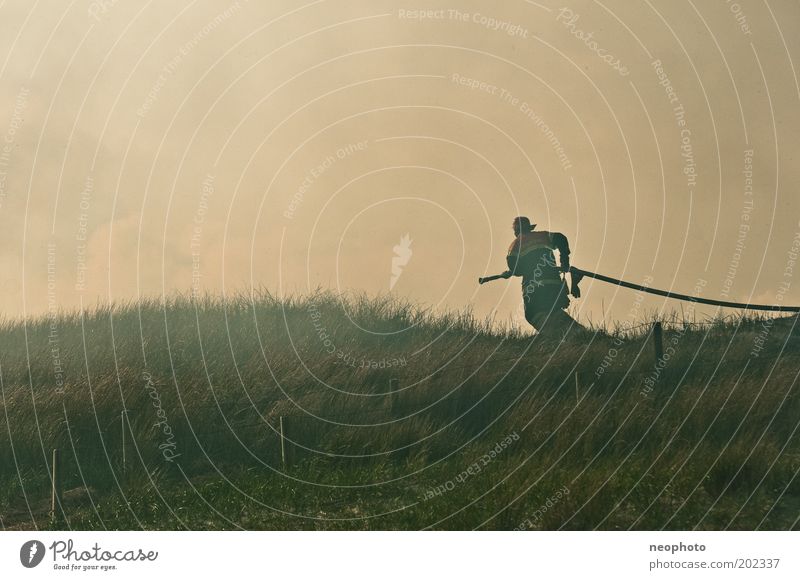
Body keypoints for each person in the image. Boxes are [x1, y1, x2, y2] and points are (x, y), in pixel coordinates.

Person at [501, 216, 580, 337]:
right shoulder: (544, 236)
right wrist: (564, 262)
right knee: (553, 312)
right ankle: (579, 332)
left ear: (516, 231)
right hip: (554, 285)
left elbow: (515, 267)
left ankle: (552, 337)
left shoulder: (516, 244)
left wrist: (511, 272)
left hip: (534, 287)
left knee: (533, 314)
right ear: (530, 228)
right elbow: (561, 238)